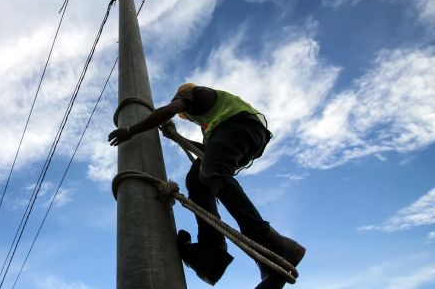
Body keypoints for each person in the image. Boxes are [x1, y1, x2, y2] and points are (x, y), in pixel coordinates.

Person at [108, 83, 305, 288]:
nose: (184, 113)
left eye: (183, 109)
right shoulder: (212, 124)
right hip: (245, 134)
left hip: (242, 127)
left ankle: (274, 244)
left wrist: (131, 130)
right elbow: (210, 149)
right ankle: (212, 252)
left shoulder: (191, 92)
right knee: (197, 178)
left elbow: (167, 111)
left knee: (213, 173)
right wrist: (178, 136)